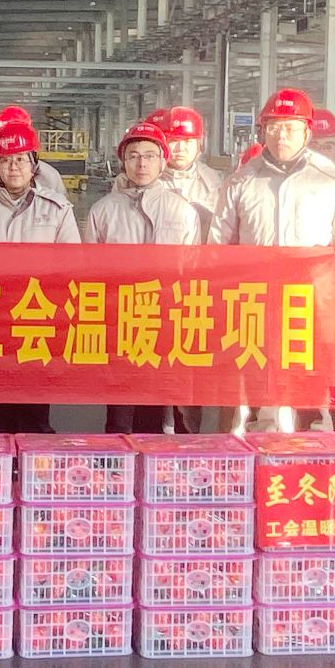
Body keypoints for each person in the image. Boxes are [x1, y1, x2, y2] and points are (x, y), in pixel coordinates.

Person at [211, 88, 335, 433]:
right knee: (254, 388)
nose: (281, 135)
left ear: (306, 133)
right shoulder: (241, 181)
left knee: (305, 387)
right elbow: (218, 243)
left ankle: (302, 451)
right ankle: (253, 448)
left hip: (307, 302)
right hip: (254, 301)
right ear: (262, 131)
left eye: (290, 128)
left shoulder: (329, 180)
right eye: (273, 127)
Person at [0, 121, 80, 433]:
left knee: (32, 411)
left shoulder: (57, 209)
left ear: (34, 165)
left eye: (21, 159)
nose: (14, 167)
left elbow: (72, 266)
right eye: (7, 160)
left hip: (35, 319)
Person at [87, 121, 203, 436]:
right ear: (123, 162)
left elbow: (193, 269)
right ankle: (117, 460)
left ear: (163, 162)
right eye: (134, 156)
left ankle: (156, 458)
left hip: (167, 318)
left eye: (150, 156)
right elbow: (89, 271)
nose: (142, 164)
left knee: (161, 401)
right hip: (120, 319)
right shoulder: (103, 211)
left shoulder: (182, 211)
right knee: (120, 408)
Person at [160, 105, 223, 234]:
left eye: (187, 141)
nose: (180, 148)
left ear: (199, 145)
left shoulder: (212, 183)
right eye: (173, 140)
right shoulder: (148, 179)